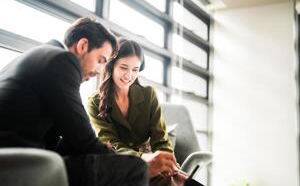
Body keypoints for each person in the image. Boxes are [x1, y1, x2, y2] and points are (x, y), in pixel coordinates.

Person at [0, 17, 148, 186]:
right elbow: (83, 140)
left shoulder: (42, 55)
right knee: (135, 168)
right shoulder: (62, 60)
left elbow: (68, 138)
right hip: (19, 163)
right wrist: (123, 158)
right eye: (101, 60)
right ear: (83, 45)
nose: (100, 70)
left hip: (15, 155)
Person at [88, 38, 187, 185]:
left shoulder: (148, 95)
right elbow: (109, 143)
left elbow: (160, 139)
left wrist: (171, 167)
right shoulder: (95, 101)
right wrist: (141, 157)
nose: (129, 76)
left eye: (135, 70)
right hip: (121, 165)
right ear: (111, 66)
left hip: (152, 164)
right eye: (123, 67)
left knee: (172, 180)